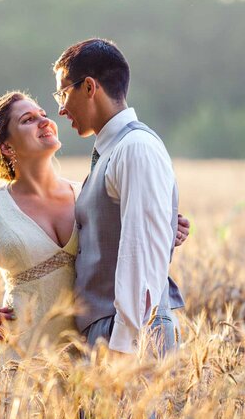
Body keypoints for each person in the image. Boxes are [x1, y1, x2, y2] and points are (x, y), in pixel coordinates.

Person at [0, 90, 189, 371]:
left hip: (87, 351)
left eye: (44, 115)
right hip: (22, 356)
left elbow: (127, 239)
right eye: (28, 119)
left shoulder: (87, 195)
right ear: (6, 147)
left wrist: (163, 230)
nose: (45, 122)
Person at [53, 38, 185, 357]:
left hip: (126, 334)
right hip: (110, 331)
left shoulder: (134, 148)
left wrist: (124, 347)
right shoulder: (113, 150)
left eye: (62, 92)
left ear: (88, 87)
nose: (60, 107)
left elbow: (139, 252)